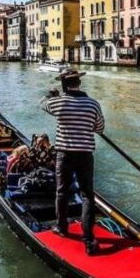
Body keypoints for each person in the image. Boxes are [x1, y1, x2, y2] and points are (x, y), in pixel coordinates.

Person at [41, 69, 104, 255]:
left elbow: (43, 104)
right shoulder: (93, 104)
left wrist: (51, 95)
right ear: (79, 83)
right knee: (87, 196)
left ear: (63, 85)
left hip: (65, 154)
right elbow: (99, 128)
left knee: (62, 192)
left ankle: (62, 228)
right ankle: (88, 239)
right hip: (85, 155)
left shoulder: (59, 103)